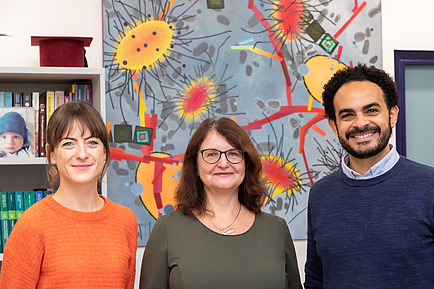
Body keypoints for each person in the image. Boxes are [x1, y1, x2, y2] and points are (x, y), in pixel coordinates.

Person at [304, 64, 434, 288]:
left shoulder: (429, 187)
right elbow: (316, 280)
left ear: (392, 115)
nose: (360, 123)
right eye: (347, 115)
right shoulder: (320, 194)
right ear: (334, 125)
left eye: (371, 110)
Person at [140, 117, 302, 289]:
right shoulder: (167, 229)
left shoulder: (276, 230)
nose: (223, 163)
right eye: (211, 154)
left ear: (246, 163)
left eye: (233, 153)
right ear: (195, 165)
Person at [0, 101, 138, 288]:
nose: (82, 154)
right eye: (68, 143)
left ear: (104, 152)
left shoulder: (126, 221)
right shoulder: (32, 224)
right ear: (52, 155)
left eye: (92, 142)